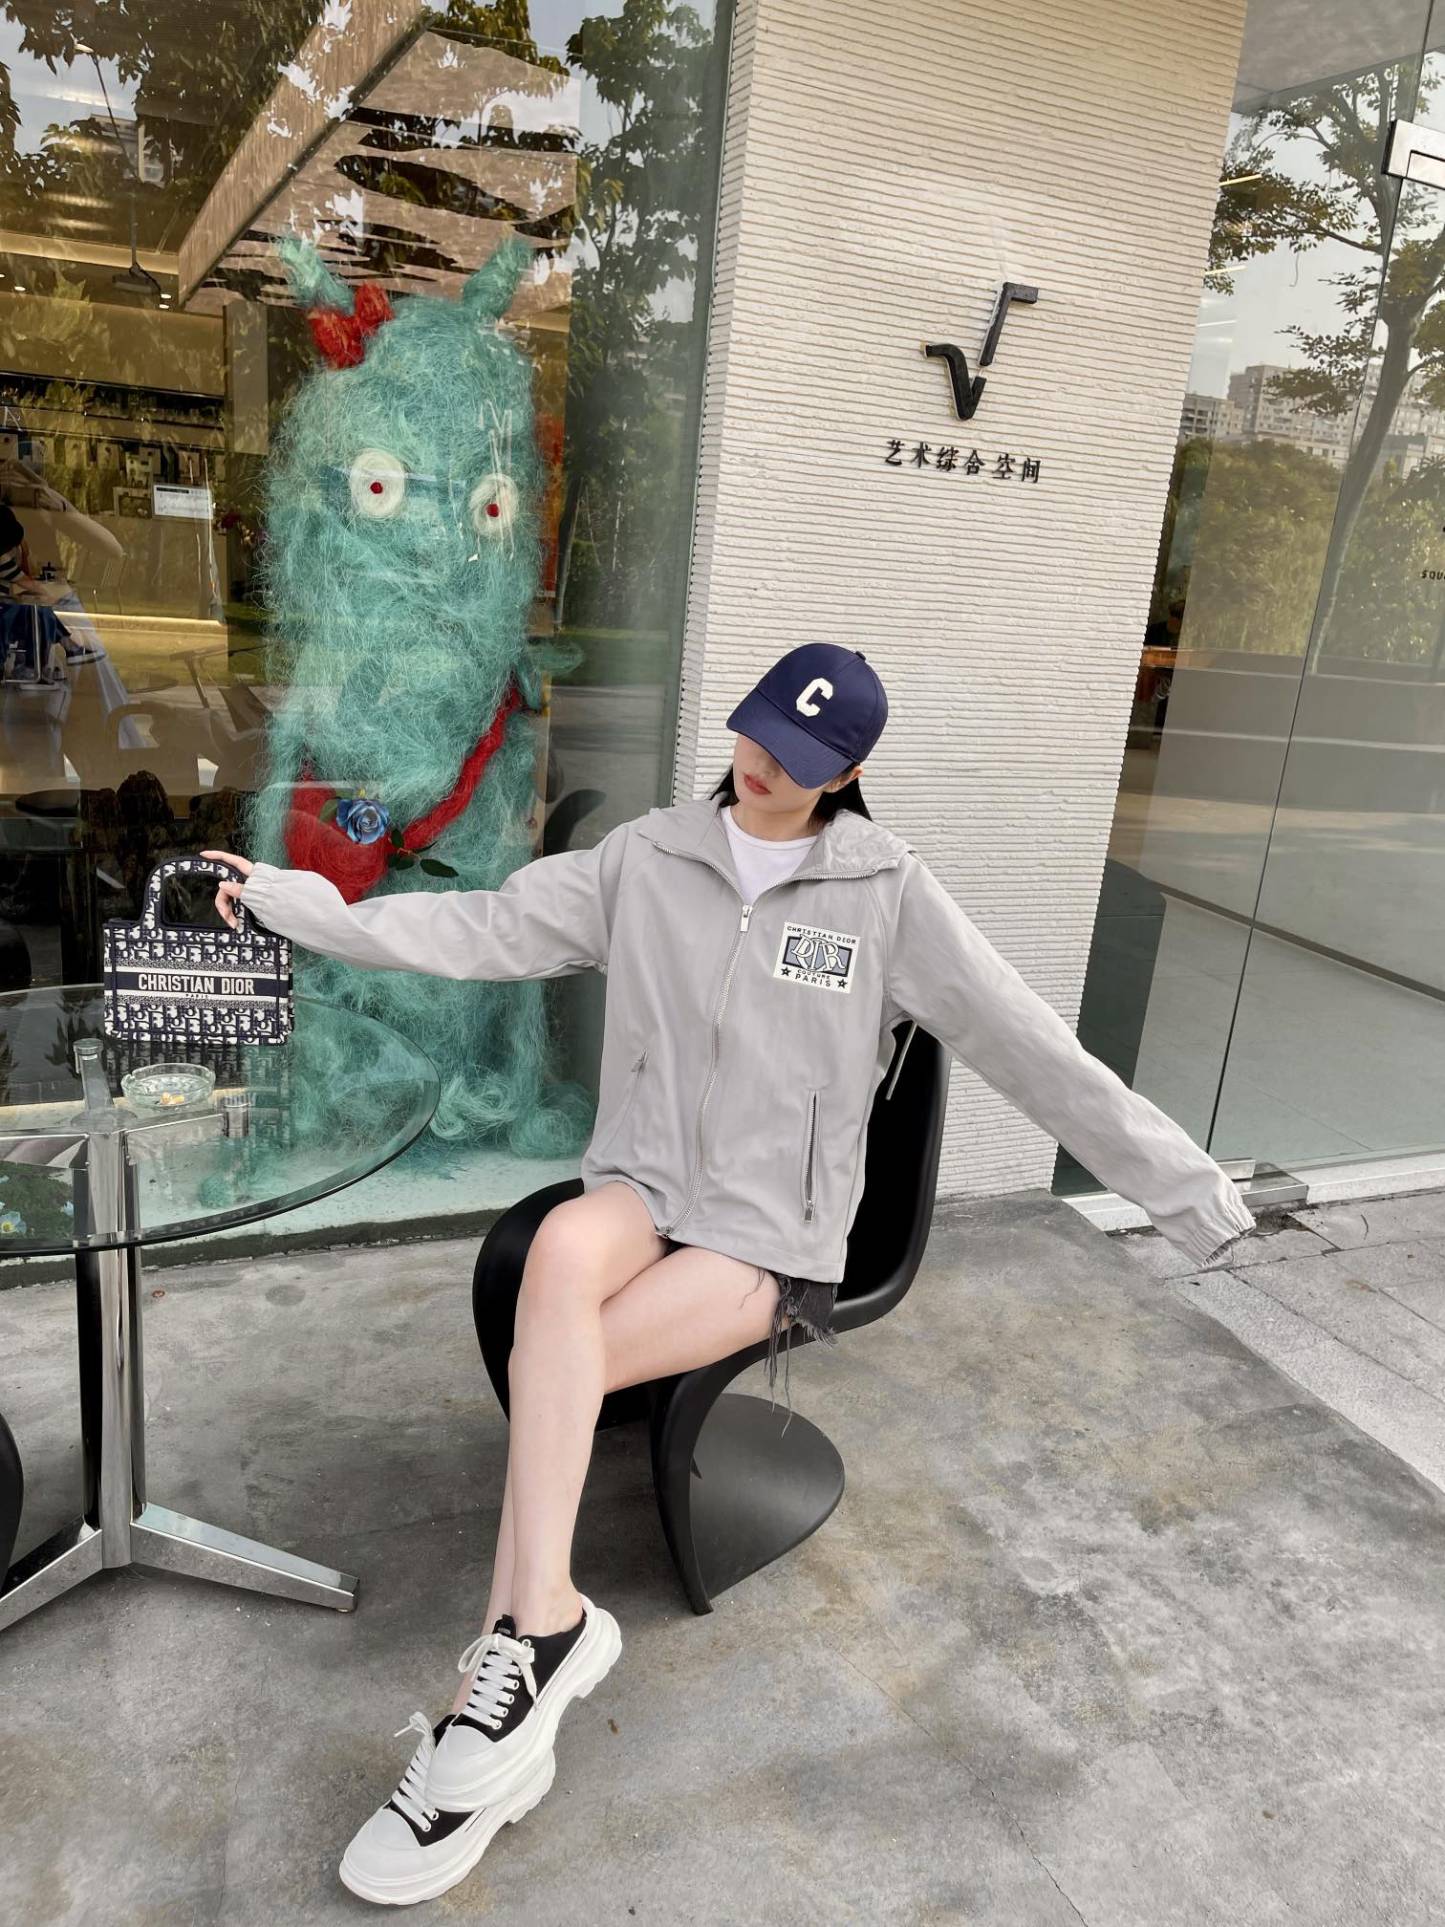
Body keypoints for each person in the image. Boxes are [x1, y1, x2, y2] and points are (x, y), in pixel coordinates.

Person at [202, 641, 1255, 1907]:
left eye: (797, 758)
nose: (760, 766)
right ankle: (541, 1632)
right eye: (754, 735)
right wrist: (295, 904)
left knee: (557, 1355)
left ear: (845, 773)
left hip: (766, 1234)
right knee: (561, 1258)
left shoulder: (887, 893)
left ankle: (497, 1698)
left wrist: (1188, 1193)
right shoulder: (646, 858)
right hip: (643, 1185)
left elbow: (1031, 1045)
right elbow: (479, 927)